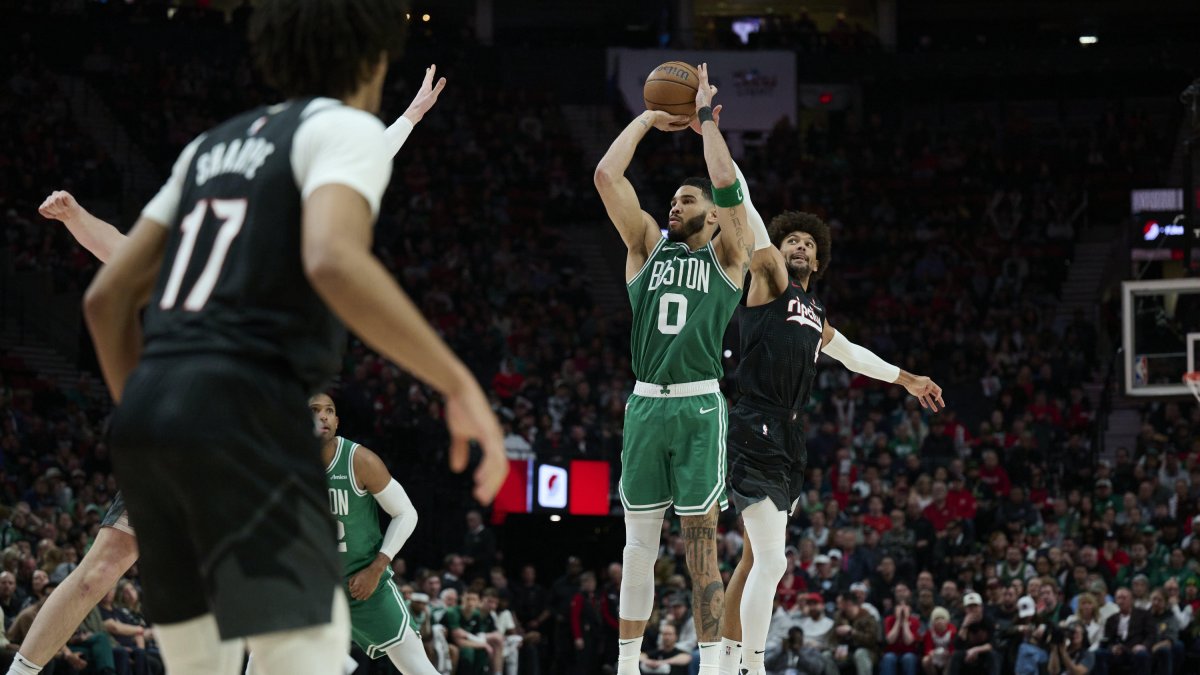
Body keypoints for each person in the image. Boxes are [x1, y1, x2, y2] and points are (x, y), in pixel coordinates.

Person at [78, 2, 506, 672]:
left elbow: (106, 298)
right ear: (368, 63)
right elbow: (334, 256)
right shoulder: (339, 129)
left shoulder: (209, 148)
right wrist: (455, 381)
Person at [717, 190, 943, 674]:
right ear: (777, 249)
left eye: (808, 243)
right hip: (756, 423)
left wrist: (907, 379)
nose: (800, 246)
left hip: (789, 436)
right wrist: (719, 153)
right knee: (773, 563)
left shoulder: (814, 310)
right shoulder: (769, 279)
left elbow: (853, 355)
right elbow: (747, 210)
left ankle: (722, 663)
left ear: (818, 260)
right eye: (791, 240)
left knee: (754, 560)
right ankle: (751, 666)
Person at [593, 64, 755, 675]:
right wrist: (647, 119)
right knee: (637, 548)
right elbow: (606, 176)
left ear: (712, 217)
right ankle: (626, 666)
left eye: (687, 200)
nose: (674, 204)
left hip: (698, 404)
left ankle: (711, 666)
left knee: (700, 547)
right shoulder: (645, 246)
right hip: (644, 403)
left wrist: (706, 120)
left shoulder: (730, 257)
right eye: (674, 199)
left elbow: (725, 182)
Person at [308, 393, 439, 674]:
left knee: (418, 668)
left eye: (329, 410)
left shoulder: (360, 460)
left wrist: (377, 568)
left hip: (364, 583)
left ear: (337, 421)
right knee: (263, 661)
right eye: (315, 410)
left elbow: (406, 513)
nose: (323, 416)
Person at [1100, 588, 1152, 675]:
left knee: (1142, 655)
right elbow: (1107, 639)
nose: (1121, 601)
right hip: (1118, 651)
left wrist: (1143, 646)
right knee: (1099, 653)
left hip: (1135, 649)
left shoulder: (1144, 615)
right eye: (1119, 598)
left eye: (1124, 598)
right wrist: (1112, 648)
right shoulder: (1111, 619)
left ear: (1131, 600)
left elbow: (1151, 634)